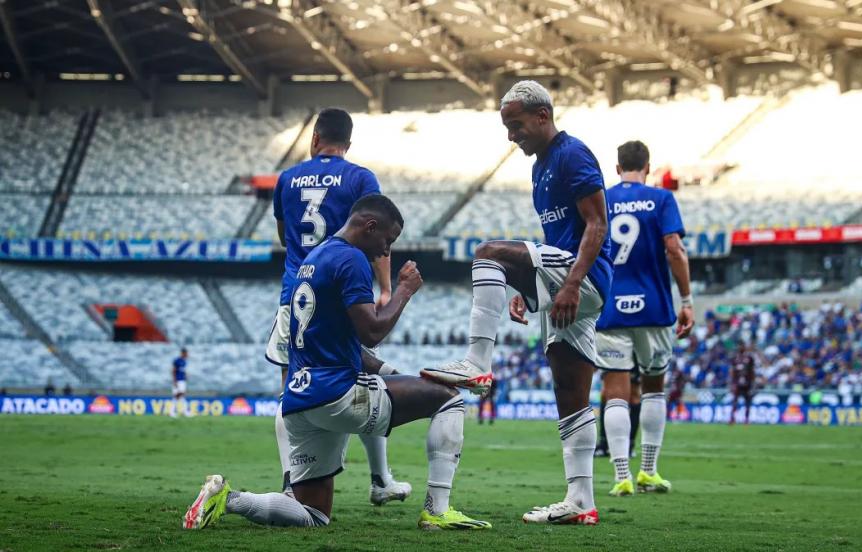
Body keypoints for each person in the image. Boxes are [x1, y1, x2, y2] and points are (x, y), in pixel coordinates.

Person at [184, 195, 490, 531]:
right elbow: (372, 330)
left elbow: (347, 346)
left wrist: (395, 376)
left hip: (299, 402)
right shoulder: (351, 260)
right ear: (369, 226)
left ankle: (227, 498)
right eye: (387, 241)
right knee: (449, 399)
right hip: (338, 396)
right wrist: (404, 290)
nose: (386, 252)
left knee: (312, 514)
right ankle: (436, 511)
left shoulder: (315, 258)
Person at [421, 81, 610, 525]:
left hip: (581, 278)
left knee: (488, 253)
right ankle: (581, 501)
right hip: (565, 281)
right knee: (570, 390)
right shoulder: (541, 165)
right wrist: (531, 291)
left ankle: (476, 361)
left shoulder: (572, 154)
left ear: (543, 116)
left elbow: (597, 225)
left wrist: (568, 284)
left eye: (517, 125)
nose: (511, 136)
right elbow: (555, 241)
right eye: (507, 127)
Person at [266, 107, 408, 504]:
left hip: (298, 292)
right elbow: (375, 233)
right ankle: (380, 480)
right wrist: (385, 287)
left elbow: (284, 234)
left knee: (292, 391)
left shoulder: (288, 178)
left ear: (314, 139)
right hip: (346, 291)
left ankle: (291, 485)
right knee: (358, 380)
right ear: (348, 143)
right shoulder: (360, 177)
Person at [593, 140, 694, 497]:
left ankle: (621, 475)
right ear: (647, 167)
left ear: (617, 168)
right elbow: (674, 249)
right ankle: (648, 471)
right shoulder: (661, 199)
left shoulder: (601, 198)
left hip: (611, 307)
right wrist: (687, 299)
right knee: (653, 387)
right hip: (653, 307)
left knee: (615, 388)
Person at [729, 344, 755, 425]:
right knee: (735, 401)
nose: (740, 348)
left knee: (747, 402)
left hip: (747, 383)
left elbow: (752, 371)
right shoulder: (735, 358)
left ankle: (746, 419)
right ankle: (732, 419)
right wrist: (732, 383)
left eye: (742, 346)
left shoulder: (749, 358)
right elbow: (732, 371)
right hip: (737, 383)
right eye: (739, 347)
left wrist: (752, 383)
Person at [172, 349, 189, 418]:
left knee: (181, 396)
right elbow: (173, 371)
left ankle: (184, 412)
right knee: (178, 395)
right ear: (182, 353)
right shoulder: (177, 361)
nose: (187, 355)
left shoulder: (184, 362)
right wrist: (174, 381)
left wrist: (185, 375)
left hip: (182, 380)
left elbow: (182, 370)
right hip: (178, 381)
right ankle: (172, 411)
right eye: (186, 353)